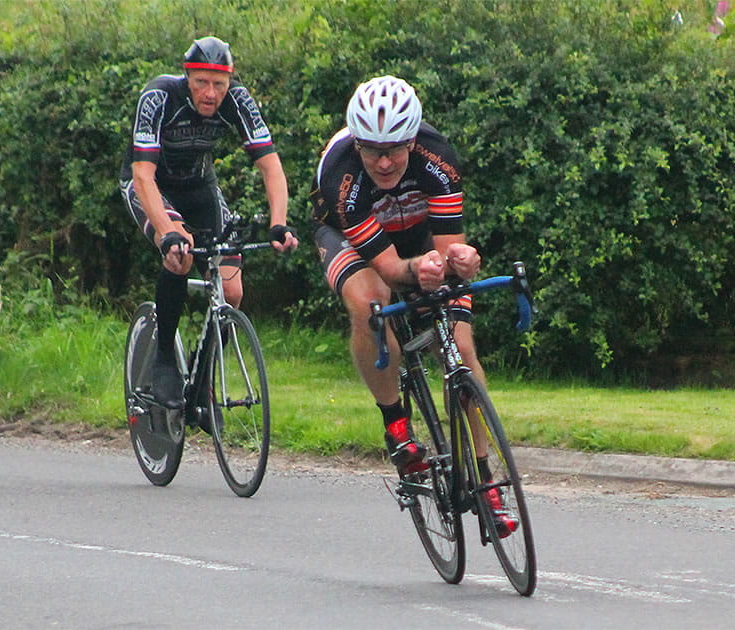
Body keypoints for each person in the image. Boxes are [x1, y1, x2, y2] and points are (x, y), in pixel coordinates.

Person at [309, 76, 515, 534]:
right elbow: (389, 270)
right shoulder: (340, 175)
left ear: (414, 139)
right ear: (357, 145)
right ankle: (396, 423)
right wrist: (417, 269)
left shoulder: (437, 157)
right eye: (372, 151)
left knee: (459, 349)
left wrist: (461, 262)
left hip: (415, 232)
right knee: (372, 304)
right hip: (354, 242)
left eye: (395, 150)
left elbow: (448, 250)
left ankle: (487, 478)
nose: (383, 162)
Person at [120, 36, 298, 409]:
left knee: (232, 292)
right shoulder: (159, 97)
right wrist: (168, 233)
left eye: (219, 84)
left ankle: (204, 377)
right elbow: (142, 175)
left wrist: (278, 223)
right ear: (187, 77)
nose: (211, 93)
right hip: (151, 185)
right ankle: (165, 358)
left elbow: (271, 165)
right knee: (180, 255)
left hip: (200, 187)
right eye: (201, 82)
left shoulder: (238, 100)